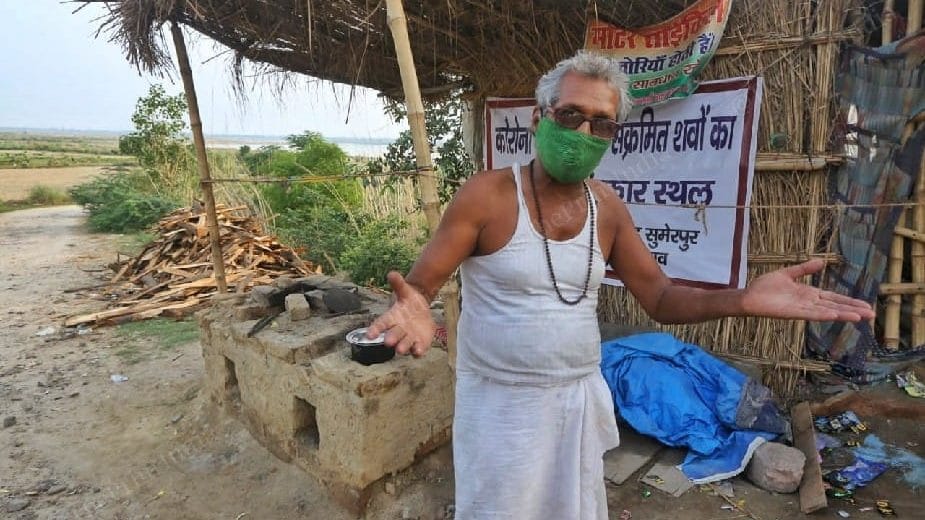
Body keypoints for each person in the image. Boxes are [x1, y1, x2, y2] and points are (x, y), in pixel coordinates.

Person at [367, 51, 874, 519]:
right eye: (570, 115)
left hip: (577, 404)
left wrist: (744, 298)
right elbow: (422, 284)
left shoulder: (606, 207)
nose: (584, 131)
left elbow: (661, 298)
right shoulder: (487, 195)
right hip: (503, 409)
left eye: (601, 123)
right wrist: (413, 304)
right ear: (539, 118)